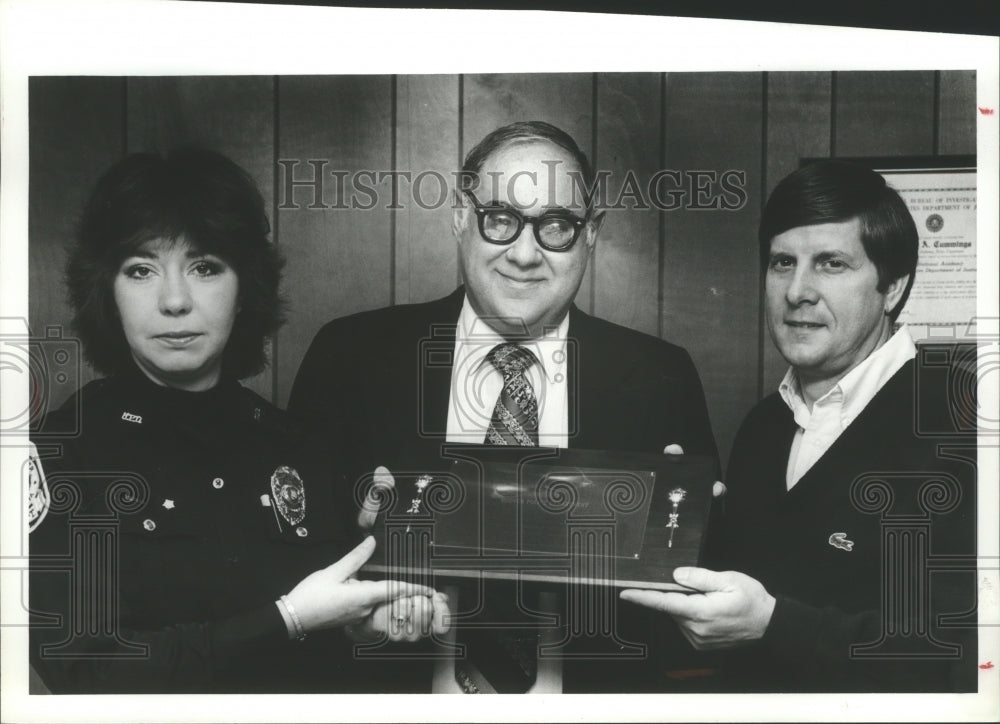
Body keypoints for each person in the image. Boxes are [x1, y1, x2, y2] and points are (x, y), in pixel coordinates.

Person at [289, 121, 719, 693]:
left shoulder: (660, 377)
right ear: (459, 217)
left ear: (591, 234)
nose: (524, 254)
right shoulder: (351, 355)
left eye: (557, 226)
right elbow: (293, 551)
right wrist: (361, 556)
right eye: (500, 219)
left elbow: (698, 590)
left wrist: (679, 540)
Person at [28, 148, 448, 694]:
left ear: (244, 286)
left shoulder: (303, 445)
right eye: (141, 270)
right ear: (106, 291)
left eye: (205, 267)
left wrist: (367, 622)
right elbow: (85, 675)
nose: (174, 300)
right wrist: (289, 618)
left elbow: (333, 652)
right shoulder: (62, 453)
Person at [621, 160, 977, 692]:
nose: (797, 291)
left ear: (894, 289)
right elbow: (758, 591)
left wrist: (773, 626)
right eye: (782, 262)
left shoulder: (963, 428)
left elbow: (966, 657)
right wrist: (679, 531)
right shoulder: (764, 426)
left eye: (831, 264)